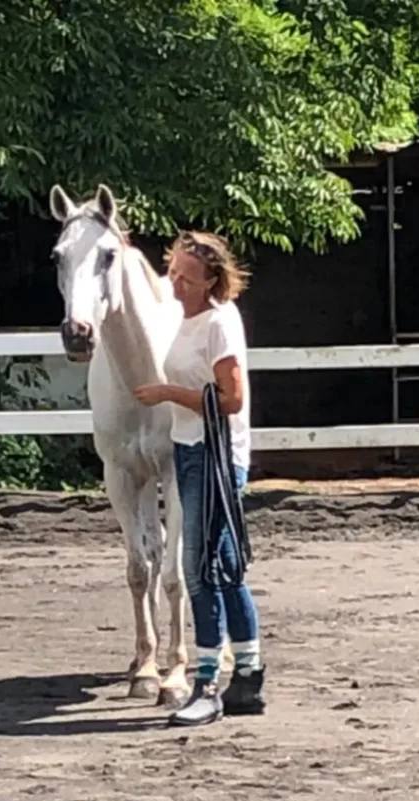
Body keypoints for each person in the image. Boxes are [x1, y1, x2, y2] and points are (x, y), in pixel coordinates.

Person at [134, 230, 264, 727]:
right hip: (191, 448)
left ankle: (207, 682)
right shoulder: (186, 320)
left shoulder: (218, 322)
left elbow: (232, 399)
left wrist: (169, 393)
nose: (175, 283)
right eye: (173, 272)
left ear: (211, 280)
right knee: (224, 566)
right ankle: (248, 673)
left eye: (186, 277)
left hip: (213, 454)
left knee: (200, 569)